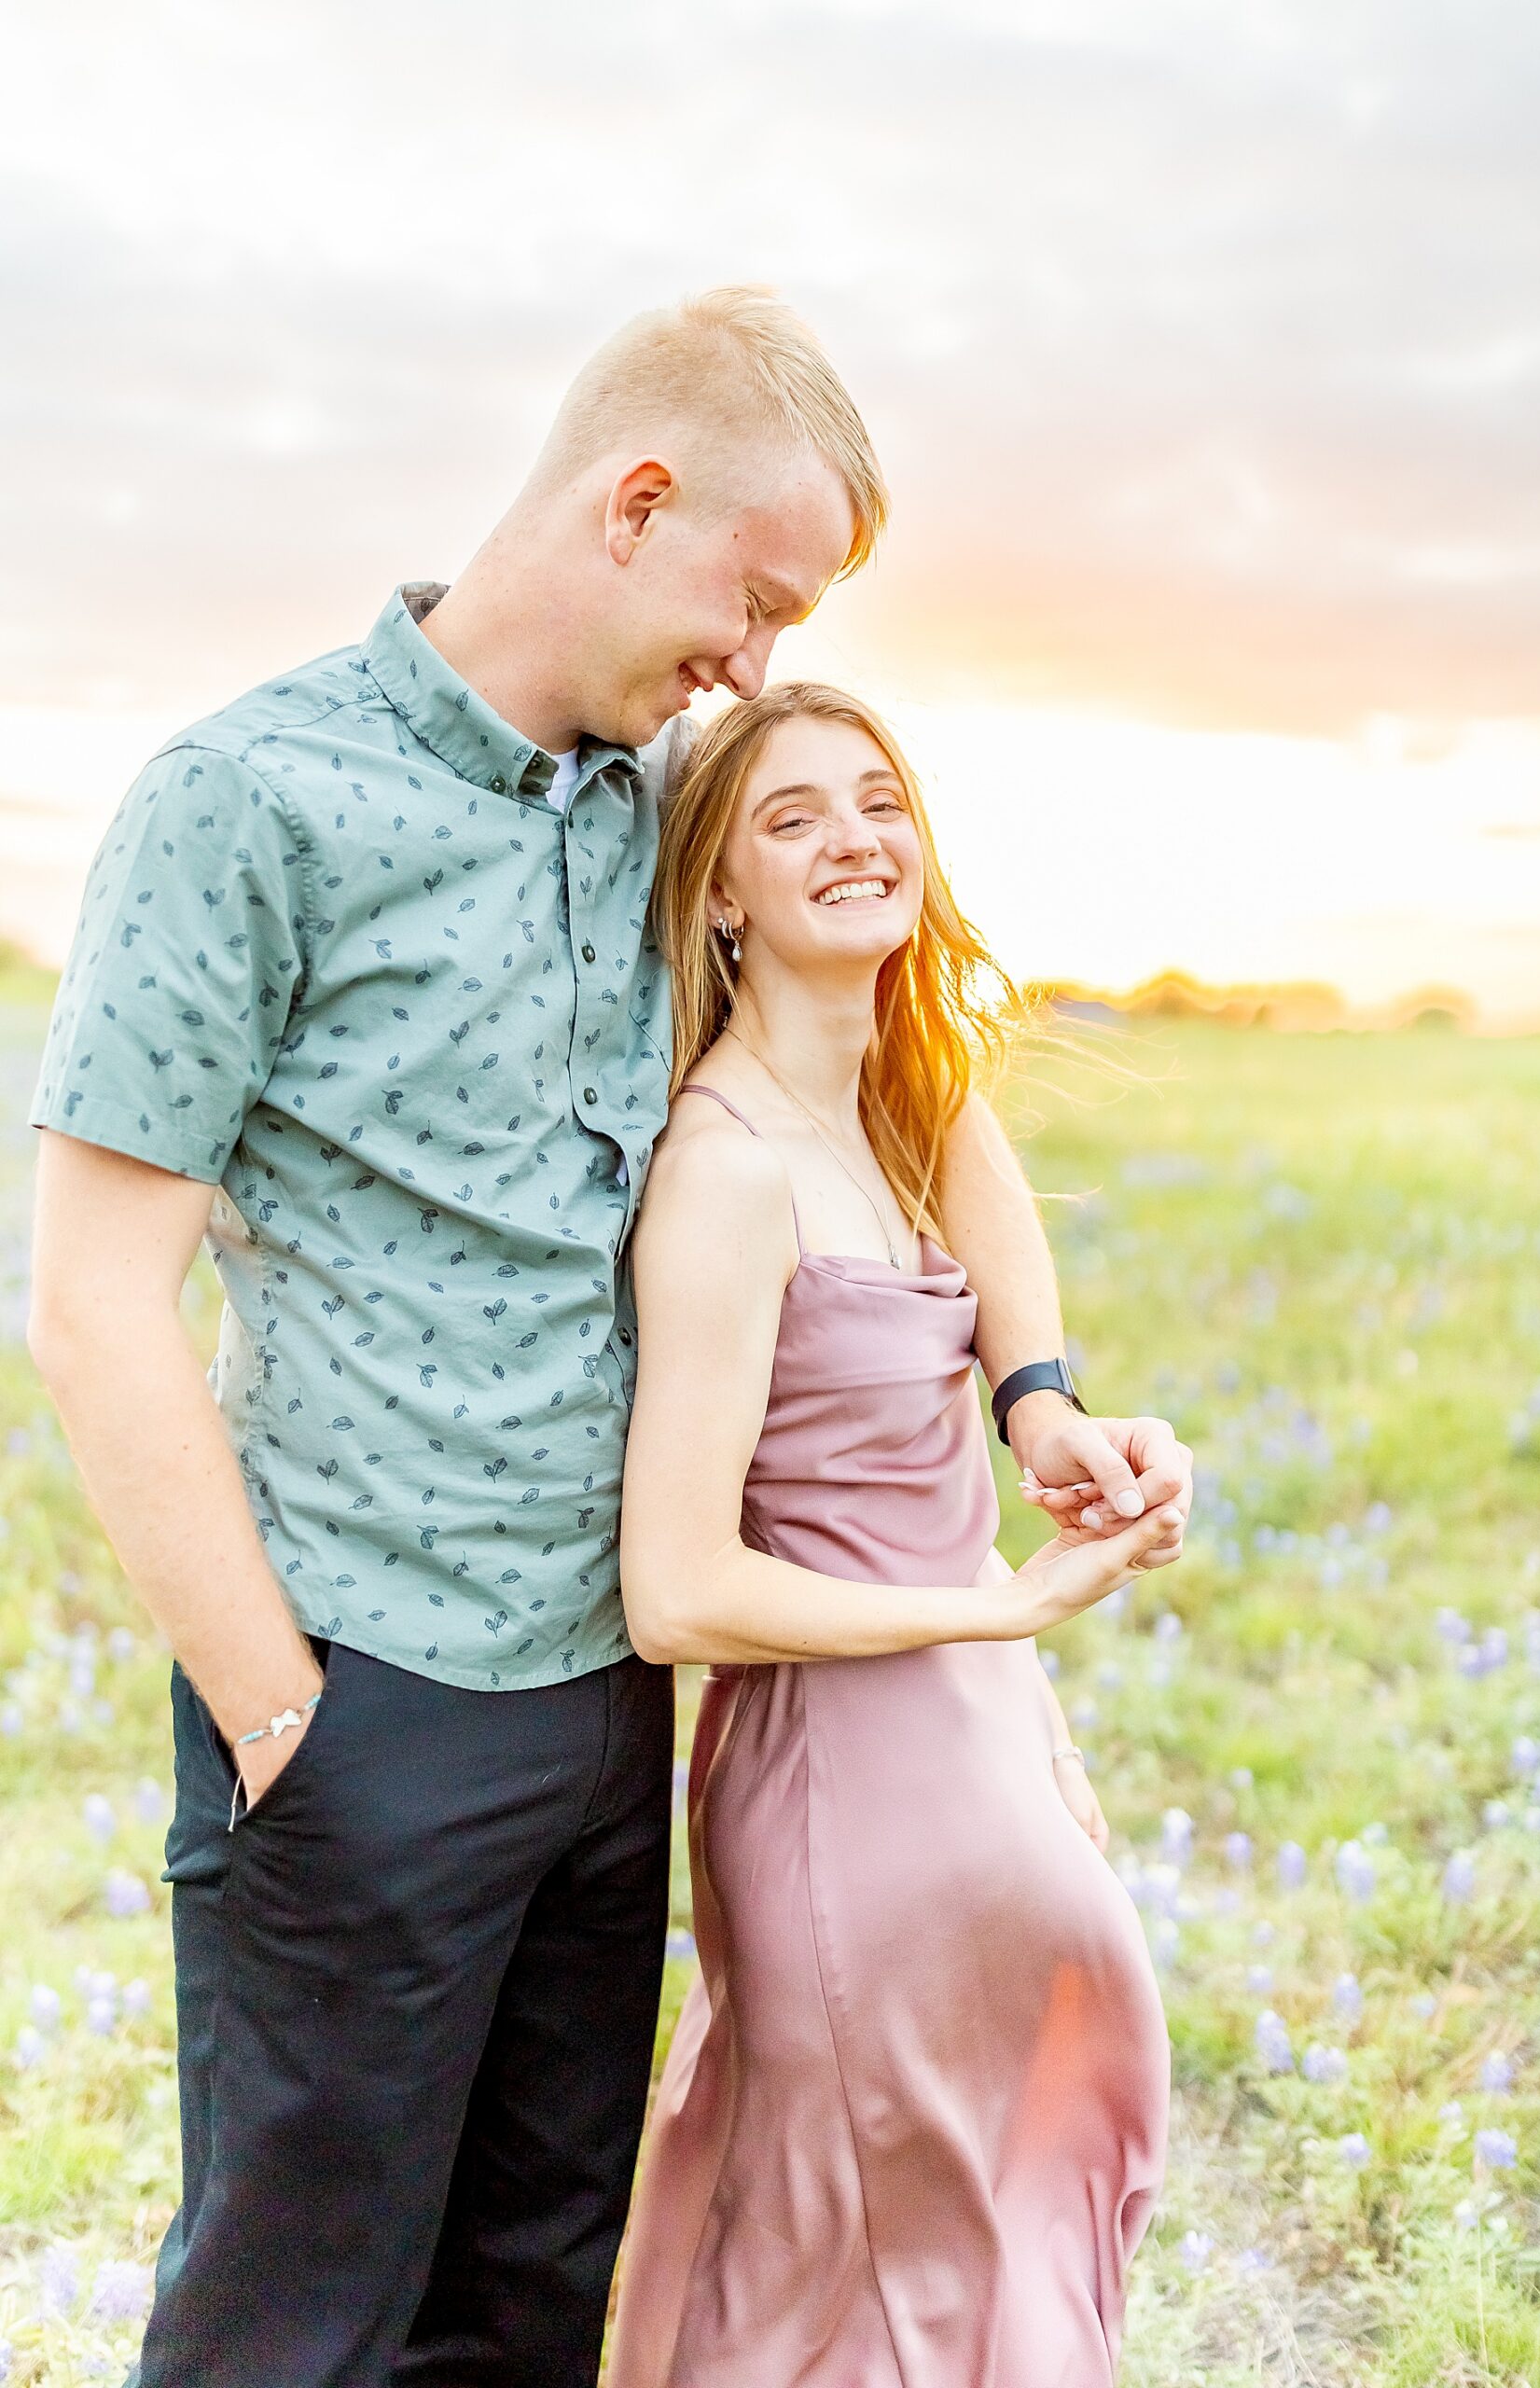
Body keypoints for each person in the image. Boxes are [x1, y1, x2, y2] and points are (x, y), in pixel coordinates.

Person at [23, 286, 1186, 2388]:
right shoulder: (251, 800)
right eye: (753, 599)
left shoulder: (675, 803)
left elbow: (909, 1083)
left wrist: (1029, 1389)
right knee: (291, 2320)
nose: (760, 662)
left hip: (627, 1702)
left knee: (533, 2298)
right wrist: (282, 1715)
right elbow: (96, 1300)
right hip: (362, 1693)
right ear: (635, 501)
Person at [606, 681, 1181, 2388]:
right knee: (854, 2234)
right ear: (720, 892)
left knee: (1038, 2146)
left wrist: (1074, 1431)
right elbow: (676, 1589)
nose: (853, 838)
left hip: (979, 1739)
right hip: (842, 1776)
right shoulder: (725, 1169)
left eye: (878, 801)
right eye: (791, 818)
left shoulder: (914, 1100)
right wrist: (995, 1619)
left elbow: (1019, 1345)